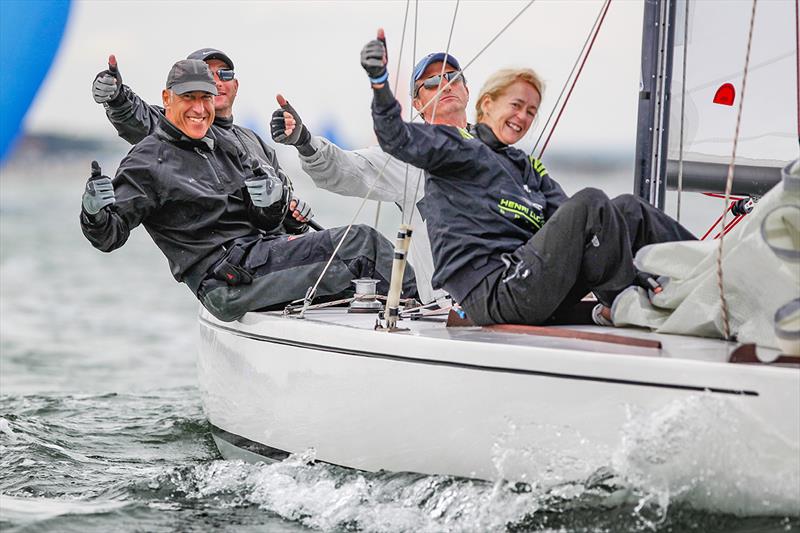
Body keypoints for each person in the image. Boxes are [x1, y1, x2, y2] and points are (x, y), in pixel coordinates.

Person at [362, 32, 696, 326]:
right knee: (593, 200)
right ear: (487, 104)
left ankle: (711, 271)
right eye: (516, 105)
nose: (522, 117)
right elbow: (395, 137)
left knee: (627, 209)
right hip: (493, 291)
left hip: (531, 280)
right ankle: (628, 304)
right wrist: (379, 83)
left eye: (531, 111)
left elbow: (571, 222)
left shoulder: (525, 166)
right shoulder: (453, 147)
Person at [81, 59, 415, 322]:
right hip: (226, 283)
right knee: (361, 244)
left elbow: (265, 221)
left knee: (356, 264)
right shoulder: (146, 161)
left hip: (258, 258)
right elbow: (109, 236)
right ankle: (431, 314)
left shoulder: (227, 146)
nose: (198, 108)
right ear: (167, 99)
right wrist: (94, 212)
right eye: (188, 98)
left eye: (205, 98)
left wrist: (272, 204)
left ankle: (408, 326)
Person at [270, 34, 469, 305]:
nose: (445, 85)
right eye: (432, 83)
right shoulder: (409, 157)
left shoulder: (498, 151)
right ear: (418, 104)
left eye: (453, 77)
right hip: (452, 307)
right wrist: (304, 142)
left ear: (467, 90)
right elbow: (348, 169)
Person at [91, 48, 311, 227]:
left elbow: (280, 205)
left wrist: (294, 213)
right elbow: (143, 118)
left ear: (236, 85)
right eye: (207, 74)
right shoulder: (183, 132)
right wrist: (117, 97)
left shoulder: (255, 141)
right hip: (236, 267)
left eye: (224, 74)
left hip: (276, 256)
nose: (217, 81)